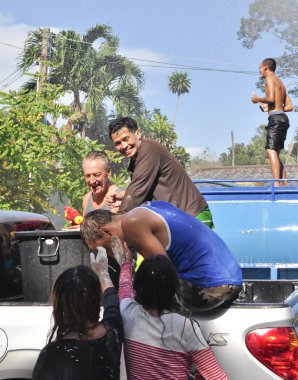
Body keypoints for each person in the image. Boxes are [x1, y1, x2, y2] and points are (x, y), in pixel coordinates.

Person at [81, 200, 243, 313]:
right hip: (232, 278)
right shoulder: (150, 207)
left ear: (106, 232)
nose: (109, 255)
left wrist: (125, 267)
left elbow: (163, 277)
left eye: (104, 249)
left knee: (131, 304)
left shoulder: (133, 224)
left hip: (211, 287)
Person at [110, 235, 229, 380]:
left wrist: (125, 264)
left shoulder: (129, 314)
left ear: (139, 288)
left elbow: (124, 289)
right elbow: (216, 376)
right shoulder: (184, 326)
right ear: (173, 288)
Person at [107, 116, 214, 228]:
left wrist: (117, 221)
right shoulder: (136, 161)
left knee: (201, 246)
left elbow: (137, 191)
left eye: (126, 139)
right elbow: (145, 190)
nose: (123, 146)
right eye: (118, 143)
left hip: (193, 215)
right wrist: (123, 196)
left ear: (138, 133)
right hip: (179, 219)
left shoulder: (148, 149)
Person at [32, 249, 123, 380]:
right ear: (97, 299)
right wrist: (103, 274)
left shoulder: (50, 355)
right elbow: (112, 304)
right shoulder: (113, 333)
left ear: (60, 305)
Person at [251, 58, 293, 186]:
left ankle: (276, 185)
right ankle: (284, 184)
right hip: (282, 118)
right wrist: (269, 108)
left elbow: (270, 98)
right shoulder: (281, 83)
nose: (259, 71)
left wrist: (257, 99)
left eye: (259, 68)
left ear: (265, 67)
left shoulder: (270, 77)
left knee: (271, 151)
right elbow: (289, 106)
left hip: (276, 119)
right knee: (275, 152)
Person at [82, 151, 121, 215]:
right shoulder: (87, 199)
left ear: (108, 172)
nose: (92, 181)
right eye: (88, 176)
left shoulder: (120, 197)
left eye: (96, 175)